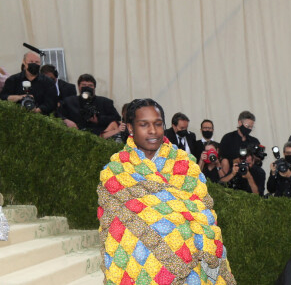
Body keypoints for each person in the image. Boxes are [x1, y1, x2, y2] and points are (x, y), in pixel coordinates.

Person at [97, 98, 236, 284]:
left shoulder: (184, 164)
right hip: (138, 263)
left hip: (191, 269)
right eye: (143, 124)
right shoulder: (116, 170)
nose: (153, 131)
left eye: (157, 124)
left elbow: (203, 209)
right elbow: (115, 223)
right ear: (130, 128)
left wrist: (184, 233)